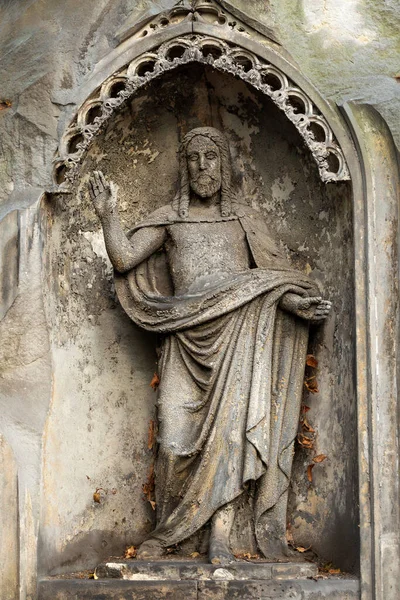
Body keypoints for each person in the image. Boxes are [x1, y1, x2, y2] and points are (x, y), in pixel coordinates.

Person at [88, 127, 331, 564]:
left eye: (211, 157)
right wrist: (108, 215)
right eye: (195, 158)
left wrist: (299, 306)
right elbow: (124, 259)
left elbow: (269, 279)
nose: (203, 166)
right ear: (185, 168)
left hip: (238, 341)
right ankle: (167, 533)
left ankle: (221, 536)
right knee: (172, 439)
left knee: (232, 439)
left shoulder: (242, 220)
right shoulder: (170, 220)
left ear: (225, 165)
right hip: (185, 340)